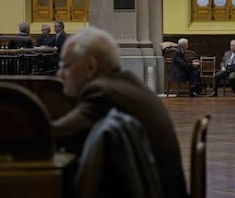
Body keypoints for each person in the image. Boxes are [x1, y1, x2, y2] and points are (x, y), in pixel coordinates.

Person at [52, 26, 187, 198]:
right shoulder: (124, 83)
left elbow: (55, 135)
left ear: (91, 66)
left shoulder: (102, 91)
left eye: (65, 65)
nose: (59, 74)